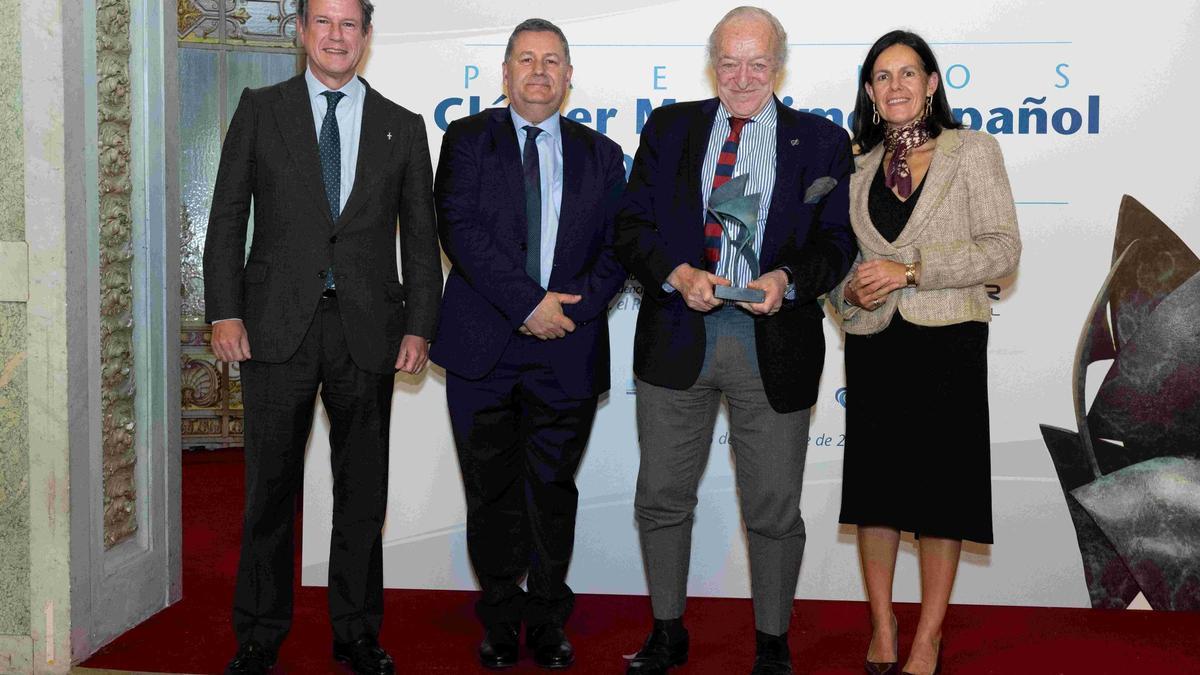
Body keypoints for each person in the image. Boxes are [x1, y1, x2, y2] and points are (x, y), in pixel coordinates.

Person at [202, 0, 443, 672]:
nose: (337, 36)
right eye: (324, 23)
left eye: (350, 24)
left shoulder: (402, 126)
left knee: (362, 491)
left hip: (368, 332)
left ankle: (358, 631)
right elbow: (226, 219)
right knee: (268, 489)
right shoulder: (260, 108)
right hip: (275, 329)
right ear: (304, 32)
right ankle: (257, 633)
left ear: (367, 36)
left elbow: (421, 244)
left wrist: (421, 323)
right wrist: (224, 310)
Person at [614, 7, 856, 674]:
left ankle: (772, 641)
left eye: (757, 62)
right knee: (661, 495)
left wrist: (787, 277)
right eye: (729, 61)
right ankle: (668, 629)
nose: (742, 76)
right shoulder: (669, 129)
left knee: (775, 506)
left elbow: (838, 244)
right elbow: (630, 225)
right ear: (711, 63)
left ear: (778, 66)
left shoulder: (824, 141)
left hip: (773, 343)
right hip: (677, 337)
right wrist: (675, 272)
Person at [430, 18, 627, 671]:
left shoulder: (602, 155)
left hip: (566, 346)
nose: (538, 71)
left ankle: (546, 617)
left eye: (551, 61)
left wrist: (565, 313)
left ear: (569, 77)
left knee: (551, 490)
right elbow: (459, 229)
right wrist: (527, 304)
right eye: (525, 60)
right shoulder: (465, 140)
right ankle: (499, 617)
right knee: (489, 490)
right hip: (484, 343)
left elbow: (617, 250)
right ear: (506, 73)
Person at [828, 30, 1021, 675]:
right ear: (870, 91)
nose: (897, 86)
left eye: (909, 73)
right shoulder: (856, 166)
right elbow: (840, 263)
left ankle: (927, 637)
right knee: (877, 493)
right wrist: (848, 290)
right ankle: (883, 629)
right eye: (883, 76)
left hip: (949, 340)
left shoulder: (971, 151)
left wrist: (909, 268)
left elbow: (1001, 250)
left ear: (933, 83)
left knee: (943, 494)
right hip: (877, 342)